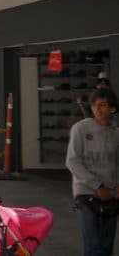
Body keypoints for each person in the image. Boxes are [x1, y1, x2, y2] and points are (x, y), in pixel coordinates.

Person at [66, 87, 119, 256]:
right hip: (86, 193)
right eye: (95, 105)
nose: (97, 109)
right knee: (93, 247)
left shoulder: (116, 134)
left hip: (111, 195)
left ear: (113, 108)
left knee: (106, 246)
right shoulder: (80, 129)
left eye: (103, 105)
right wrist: (98, 186)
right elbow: (72, 161)